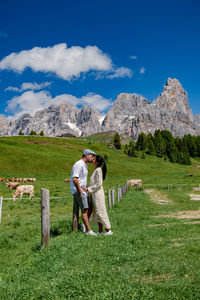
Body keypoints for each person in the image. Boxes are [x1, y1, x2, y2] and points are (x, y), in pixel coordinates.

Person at [82, 155, 113, 236]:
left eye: (94, 159)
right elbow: (94, 183)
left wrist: (88, 189)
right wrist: (87, 187)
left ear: (97, 162)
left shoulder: (98, 170)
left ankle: (108, 230)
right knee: (98, 211)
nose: (92, 159)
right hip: (95, 194)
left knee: (101, 211)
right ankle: (100, 231)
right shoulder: (96, 170)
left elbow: (99, 184)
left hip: (98, 194)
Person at [70, 149, 96, 236]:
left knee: (90, 206)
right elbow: (75, 179)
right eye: (92, 156)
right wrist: (80, 191)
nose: (92, 159)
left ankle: (84, 225)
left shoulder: (85, 165)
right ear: (87, 155)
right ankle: (89, 231)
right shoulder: (79, 164)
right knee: (84, 210)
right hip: (78, 190)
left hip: (82, 190)